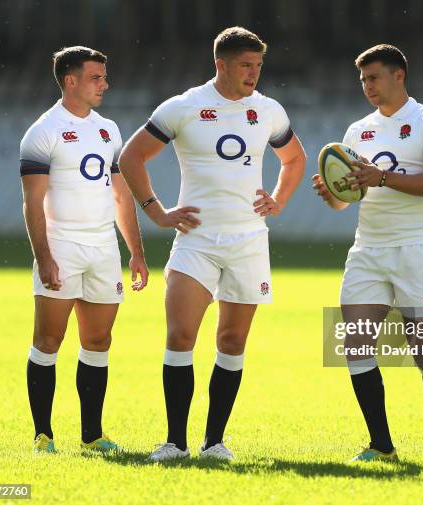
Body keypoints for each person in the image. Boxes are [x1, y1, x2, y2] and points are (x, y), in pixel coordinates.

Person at [119, 26, 306, 461]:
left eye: (258, 66)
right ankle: (174, 442)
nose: (254, 74)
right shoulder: (185, 107)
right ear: (220, 64)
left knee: (232, 341)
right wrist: (156, 211)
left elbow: (294, 158)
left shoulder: (269, 110)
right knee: (181, 335)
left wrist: (277, 198)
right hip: (196, 240)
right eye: (246, 65)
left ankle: (214, 442)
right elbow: (131, 157)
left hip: (249, 242)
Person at [313, 44, 423, 461]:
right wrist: (333, 193)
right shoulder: (358, 130)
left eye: (374, 77)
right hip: (368, 248)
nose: (367, 86)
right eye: (362, 80)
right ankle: (382, 446)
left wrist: (382, 177)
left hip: (416, 247)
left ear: (399, 76)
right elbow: (349, 199)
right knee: (356, 343)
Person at [20, 46, 149, 453]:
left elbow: (121, 196)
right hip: (62, 245)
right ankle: (43, 434)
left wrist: (136, 252)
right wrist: (44, 256)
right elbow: (33, 202)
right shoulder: (43, 131)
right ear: (70, 80)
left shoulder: (109, 128)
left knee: (99, 340)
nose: (105, 84)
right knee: (49, 339)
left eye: (104, 77)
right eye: (97, 77)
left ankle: (92, 435)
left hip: (103, 249)